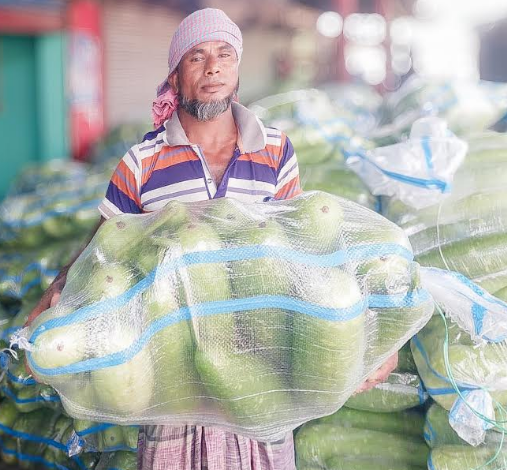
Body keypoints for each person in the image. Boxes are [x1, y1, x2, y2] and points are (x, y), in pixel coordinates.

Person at [28, 8, 397, 469]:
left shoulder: (277, 151)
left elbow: (306, 251)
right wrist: (57, 294)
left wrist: (376, 334)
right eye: (196, 57)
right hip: (172, 367)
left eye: (225, 54)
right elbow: (102, 250)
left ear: (238, 68)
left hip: (264, 361)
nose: (213, 67)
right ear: (176, 76)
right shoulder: (143, 160)